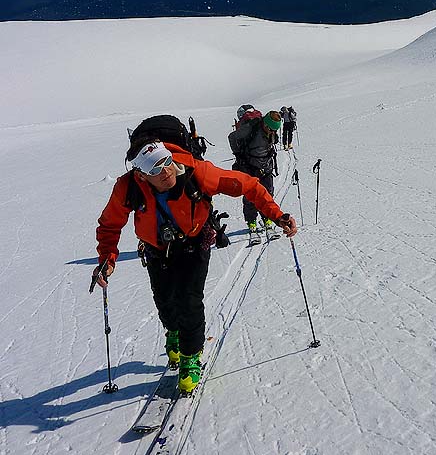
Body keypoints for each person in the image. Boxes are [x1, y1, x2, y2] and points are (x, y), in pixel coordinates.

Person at [93, 138, 297, 394]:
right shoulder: (127, 187)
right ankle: (174, 332)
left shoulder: (196, 172)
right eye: (156, 168)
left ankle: (191, 357)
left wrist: (277, 216)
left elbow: (249, 185)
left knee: (189, 300)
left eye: (166, 161)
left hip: (194, 241)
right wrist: (107, 259)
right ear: (141, 175)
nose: (166, 170)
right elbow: (110, 224)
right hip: (156, 248)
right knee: (165, 301)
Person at [228, 110, 281, 233]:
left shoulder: (272, 131)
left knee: (267, 194)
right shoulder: (251, 128)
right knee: (250, 196)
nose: (272, 132)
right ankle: (251, 221)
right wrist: (238, 154)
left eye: (275, 130)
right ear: (265, 124)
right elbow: (232, 137)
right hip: (250, 166)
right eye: (271, 129)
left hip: (266, 166)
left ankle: (266, 218)